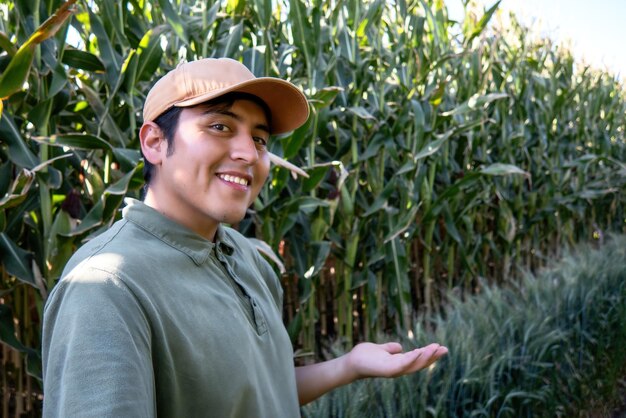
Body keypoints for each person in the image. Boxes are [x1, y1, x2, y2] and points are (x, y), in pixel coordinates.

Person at [42, 57, 448, 417]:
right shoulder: (106, 288)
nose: (250, 154)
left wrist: (348, 365)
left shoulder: (243, 256)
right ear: (154, 142)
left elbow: (257, 392)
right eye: (220, 126)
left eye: (260, 138)